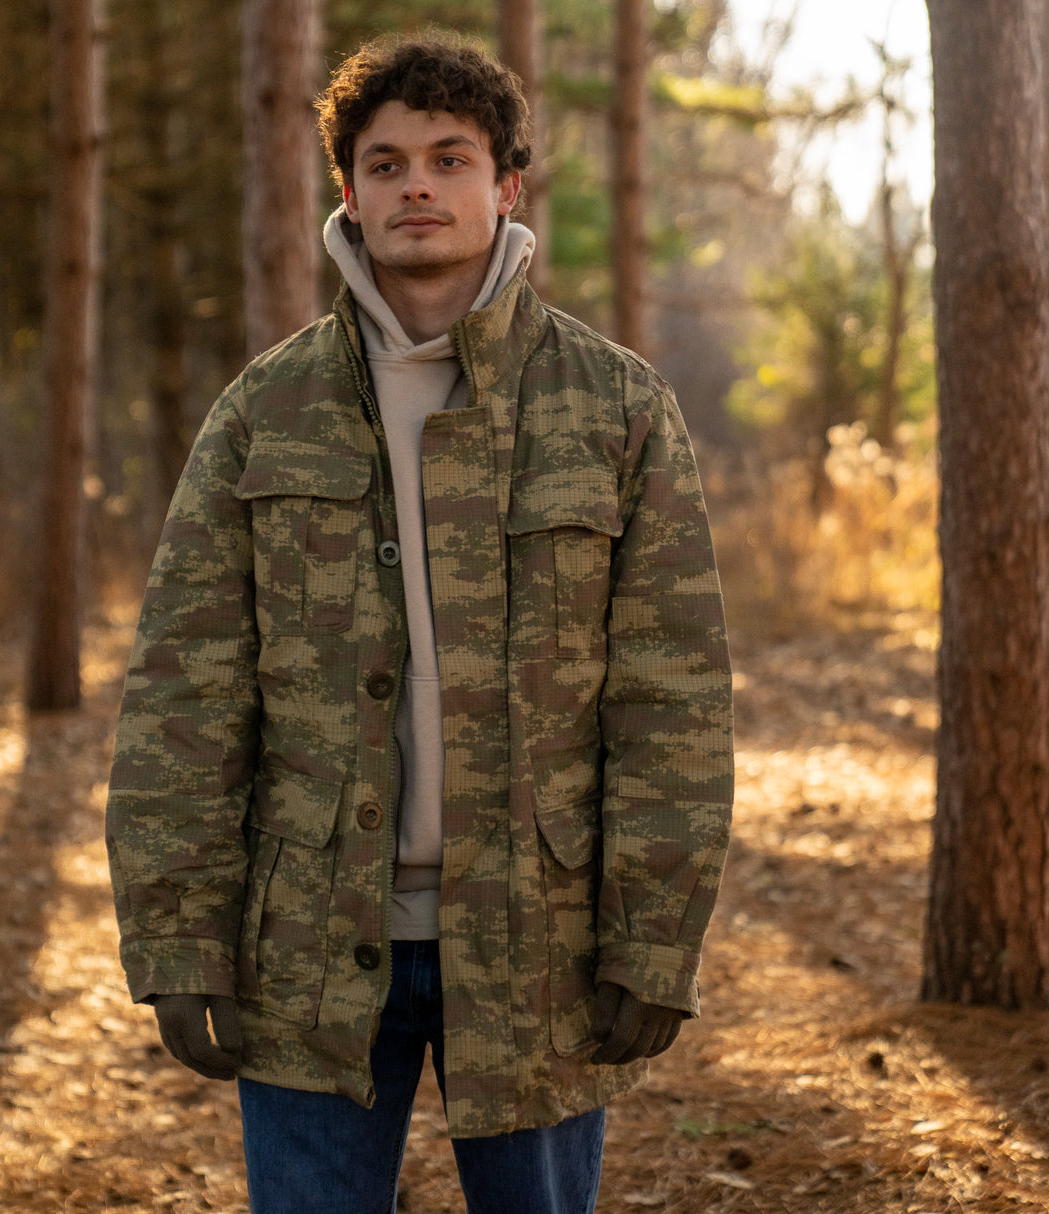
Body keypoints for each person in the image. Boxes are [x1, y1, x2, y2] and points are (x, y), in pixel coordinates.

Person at [105, 32, 733, 1214]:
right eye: (384, 164)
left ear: (507, 186)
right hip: (305, 943)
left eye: (450, 159)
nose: (416, 186)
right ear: (349, 193)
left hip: (537, 941)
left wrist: (652, 934)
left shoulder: (614, 407)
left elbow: (671, 698)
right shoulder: (264, 411)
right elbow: (185, 690)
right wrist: (178, 932)